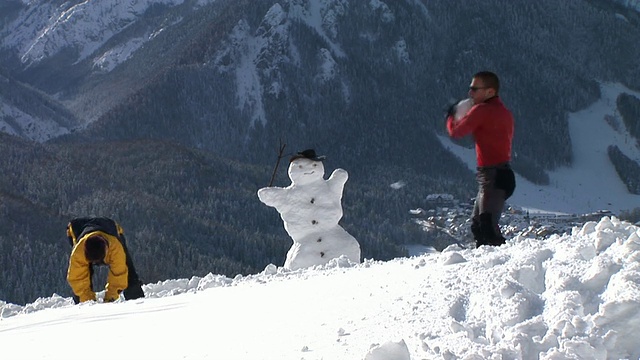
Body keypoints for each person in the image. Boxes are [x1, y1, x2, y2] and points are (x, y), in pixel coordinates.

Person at [446, 71, 516, 248]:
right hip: (502, 174)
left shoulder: (482, 110)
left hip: (491, 175)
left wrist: (452, 115)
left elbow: (456, 132)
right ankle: (491, 263)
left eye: (475, 89)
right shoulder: (505, 112)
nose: (470, 93)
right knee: (480, 225)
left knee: (485, 227)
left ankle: (502, 265)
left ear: (490, 92)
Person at [66, 217, 145, 303]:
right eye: (92, 261)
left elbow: (119, 274)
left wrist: (110, 298)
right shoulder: (79, 252)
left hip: (110, 229)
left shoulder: (115, 248)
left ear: (107, 250)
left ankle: (137, 303)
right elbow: (77, 279)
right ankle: (81, 308)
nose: (95, 263)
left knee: (128, 272)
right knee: (80, 285)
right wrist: (87, 301)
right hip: (77, 229)